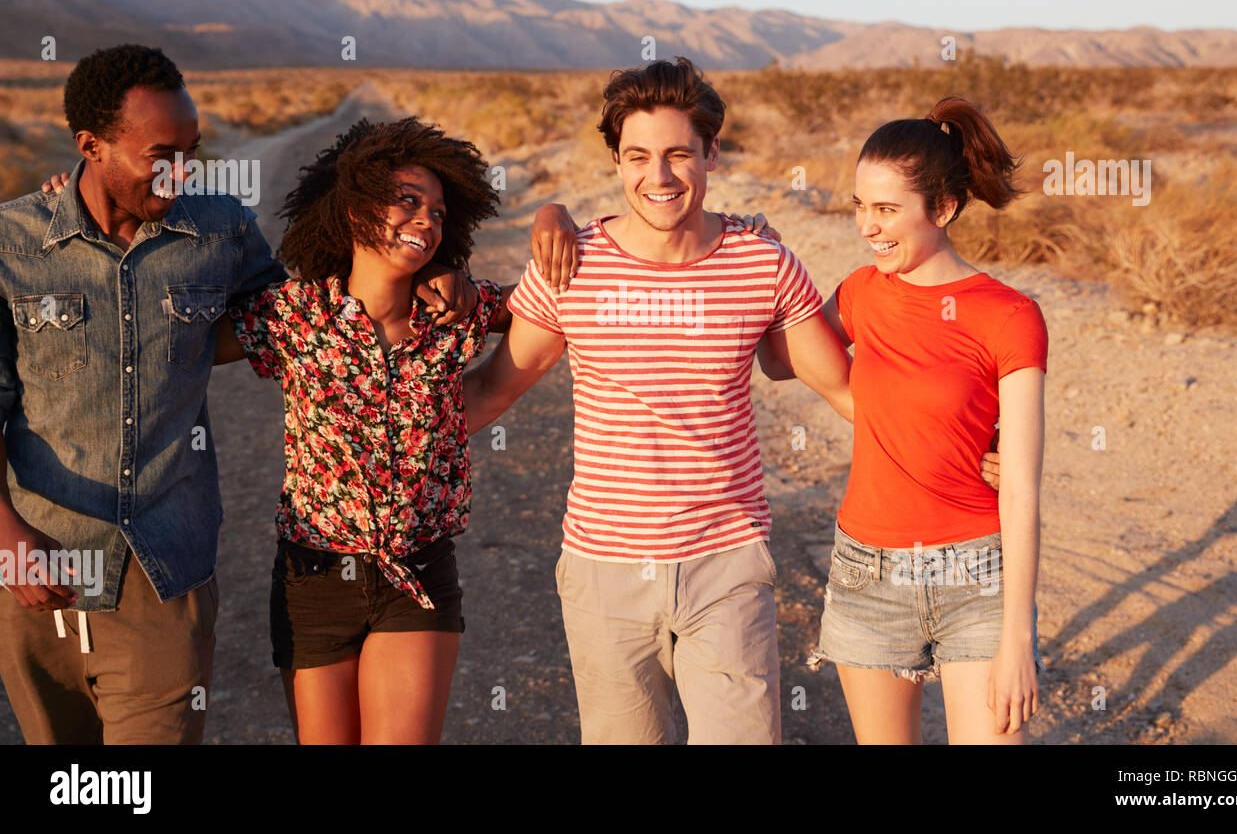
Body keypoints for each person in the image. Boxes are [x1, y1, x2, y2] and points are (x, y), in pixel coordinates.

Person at [464, 58, 999, 744]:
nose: (657, 177)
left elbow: (842, 386)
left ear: (712, 152)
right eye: (638, 157)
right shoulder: (574, 263)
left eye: (679, 154)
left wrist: (972, 452)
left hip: (728, 563)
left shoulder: (761, 262)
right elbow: (491, 388)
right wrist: (370, 431)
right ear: (617, 161)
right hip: (604, 569)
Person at [6, 46, 471, 746]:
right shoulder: (13, 246)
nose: (181, 173)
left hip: (165, 572)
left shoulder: (219, 230)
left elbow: (315, 311)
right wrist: (7, 539)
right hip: (38, 566)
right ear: (90, 147)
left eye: (192, 151)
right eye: (161, 154)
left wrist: (433, 267)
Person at [204, 117, 508, 744]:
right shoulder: (296, 313)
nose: (427, 220)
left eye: (438, 212)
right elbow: (176, 337)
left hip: (416, 578)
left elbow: (553, 303)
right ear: (350, 209)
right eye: (407, 201)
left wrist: (555, 216)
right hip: (311, 582)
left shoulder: (456, 315)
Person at [765, 96, 1047, 744]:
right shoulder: (863, 292)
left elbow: (1024, 486)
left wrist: (1018, 637)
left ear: (943, 209)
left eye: (887, 209)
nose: (868, 226)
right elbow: (781, 360)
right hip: (869, 572)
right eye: (861, 205)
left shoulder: (1010, 315)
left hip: (974, 571)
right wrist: (770, 272)